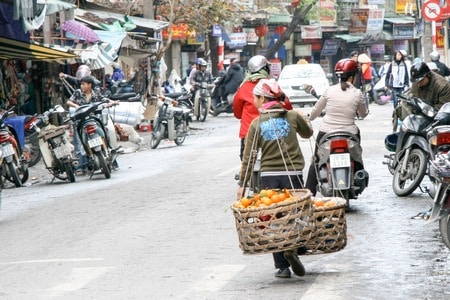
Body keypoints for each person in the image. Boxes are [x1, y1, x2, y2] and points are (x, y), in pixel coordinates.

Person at [236, 78, 313, 279]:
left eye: (255, 97)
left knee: (272, 219)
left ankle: (282, 266)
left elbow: (249, 156)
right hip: (293, 174)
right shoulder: (293, 116)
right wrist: (303, 119)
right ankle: (295, 250)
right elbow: (308, 133)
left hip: (269, 178)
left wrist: (242, 184)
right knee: (294, 214)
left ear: (263, 98)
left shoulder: (257, 123)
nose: (254, 100)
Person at [305, 58, 368, 196]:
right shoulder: (357, 93)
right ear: (352, 76)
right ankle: (358, 171)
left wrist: (308, 117)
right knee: (357, 156)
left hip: (326, 132)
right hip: (350, 133)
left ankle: (308, 193)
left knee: (316, 161)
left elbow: (315, 112)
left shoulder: (329, 90)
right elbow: (363, 114)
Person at [66, 76, 119, 175]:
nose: (82, 86)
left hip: (94, 119)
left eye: (84, 84)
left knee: (105, 134)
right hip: (80, 121)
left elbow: (104, 100)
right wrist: (76, 106)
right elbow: (69, 101)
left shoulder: (96, 92)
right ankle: (80, 167)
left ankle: (112, 159)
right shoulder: (77, 93)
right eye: (81, 84)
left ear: (90, 85)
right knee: (79, 143)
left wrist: (113, 102)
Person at [233, 55, 271, 160]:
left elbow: (237, 113)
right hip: (270, 132)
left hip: (248, 133)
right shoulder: (272, 85)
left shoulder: (243, 87)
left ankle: (245, 175)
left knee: (246, 163)